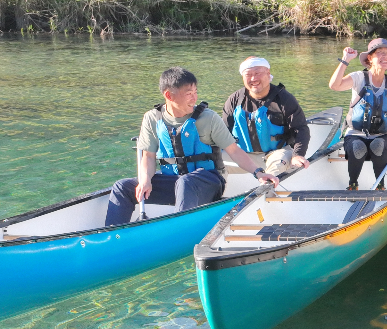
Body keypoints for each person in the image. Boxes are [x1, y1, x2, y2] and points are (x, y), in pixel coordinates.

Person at [104, 67, 271, 226]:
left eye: (195, 92)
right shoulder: (152, 118)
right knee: (123, 187)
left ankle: (178, 229)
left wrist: (258, 173)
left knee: (186, 182)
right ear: (169, 95)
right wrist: (145, 181)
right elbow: (148, 157)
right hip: (176, 182)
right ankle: (111, 237)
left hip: (209, 182)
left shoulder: (209, 118)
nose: (194, 98)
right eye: (189, 94)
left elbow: (234, 151)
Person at [328, 38, 387, 190]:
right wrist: (345, 60)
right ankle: (353, 184)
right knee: (357, 146)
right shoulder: (359, 77)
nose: (384, 56)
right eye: (379, 53)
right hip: (355, 134)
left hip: (382, 136)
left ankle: (380, 185)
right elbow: (334, 85)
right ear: (370, 59)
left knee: (378, 145)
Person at [222, 56, 311, 177]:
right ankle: (216, 194)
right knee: (210, 163)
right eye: (248, 74)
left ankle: (266, 191)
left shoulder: (284, 99)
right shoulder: (234, 100)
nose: (253, 78)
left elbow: (301, 129)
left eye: (258, 73)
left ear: (268, 74)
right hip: (242, 155)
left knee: (277, 165)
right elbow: (222, 133)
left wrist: (298, 155)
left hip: (276, 153)